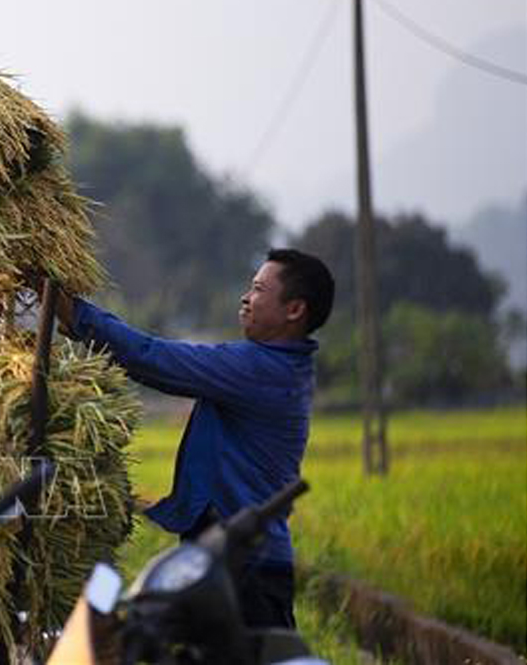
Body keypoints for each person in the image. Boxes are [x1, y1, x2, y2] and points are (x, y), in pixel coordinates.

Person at [50, 248, 335, 629]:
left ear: (294, 310)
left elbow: (153, 358)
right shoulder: (279, 367)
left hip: (245, 566)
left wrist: (77, 314)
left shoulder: (262, 369)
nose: (246, 298)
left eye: (258, 289)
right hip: (223, 557)